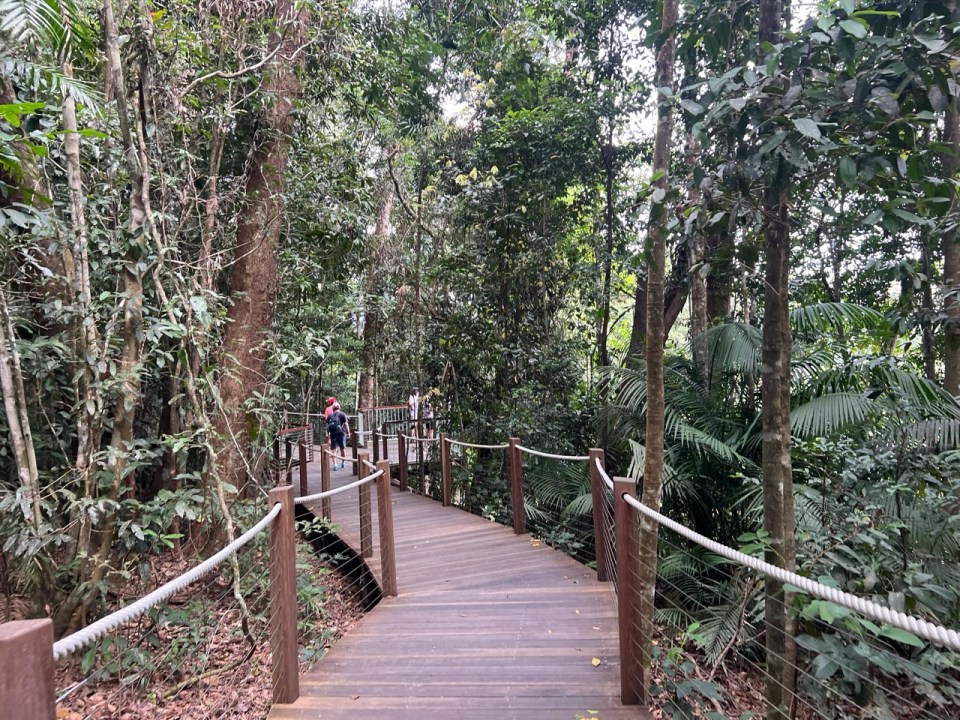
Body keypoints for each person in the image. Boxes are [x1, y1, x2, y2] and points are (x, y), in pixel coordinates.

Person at [326, 402, 350, 470]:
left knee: (334, 450)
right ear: (339, 407)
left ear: (332, 408)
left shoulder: (330, 416)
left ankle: (335, 465)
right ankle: (343, 462)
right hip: (341, 433)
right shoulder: (342, 414)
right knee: (342, 449)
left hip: (333, 434)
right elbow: (346, 424)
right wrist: (348, 433)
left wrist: (328, 437)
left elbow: (327, 427)